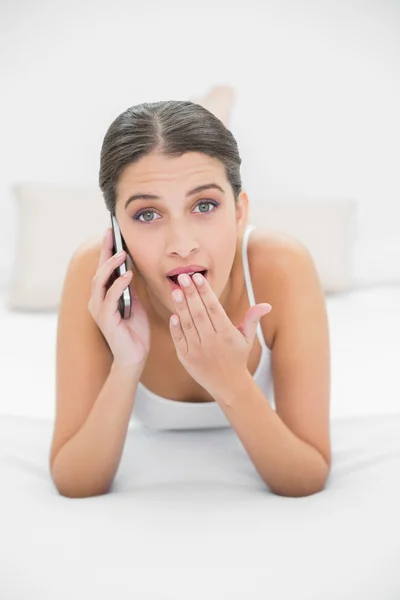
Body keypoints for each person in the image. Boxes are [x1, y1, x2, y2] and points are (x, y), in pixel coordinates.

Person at [49, 86, 331, 499]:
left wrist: (231, 381)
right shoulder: (94, 272)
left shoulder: (283, 266)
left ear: (239, 212)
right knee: (175, 160)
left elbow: (306, 475)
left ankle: (216, 105)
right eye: (147, 213)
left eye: (205, 206)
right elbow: (75, 481)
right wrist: (127, 364)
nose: (181, 244)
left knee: (186, 151)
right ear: (117, 230)